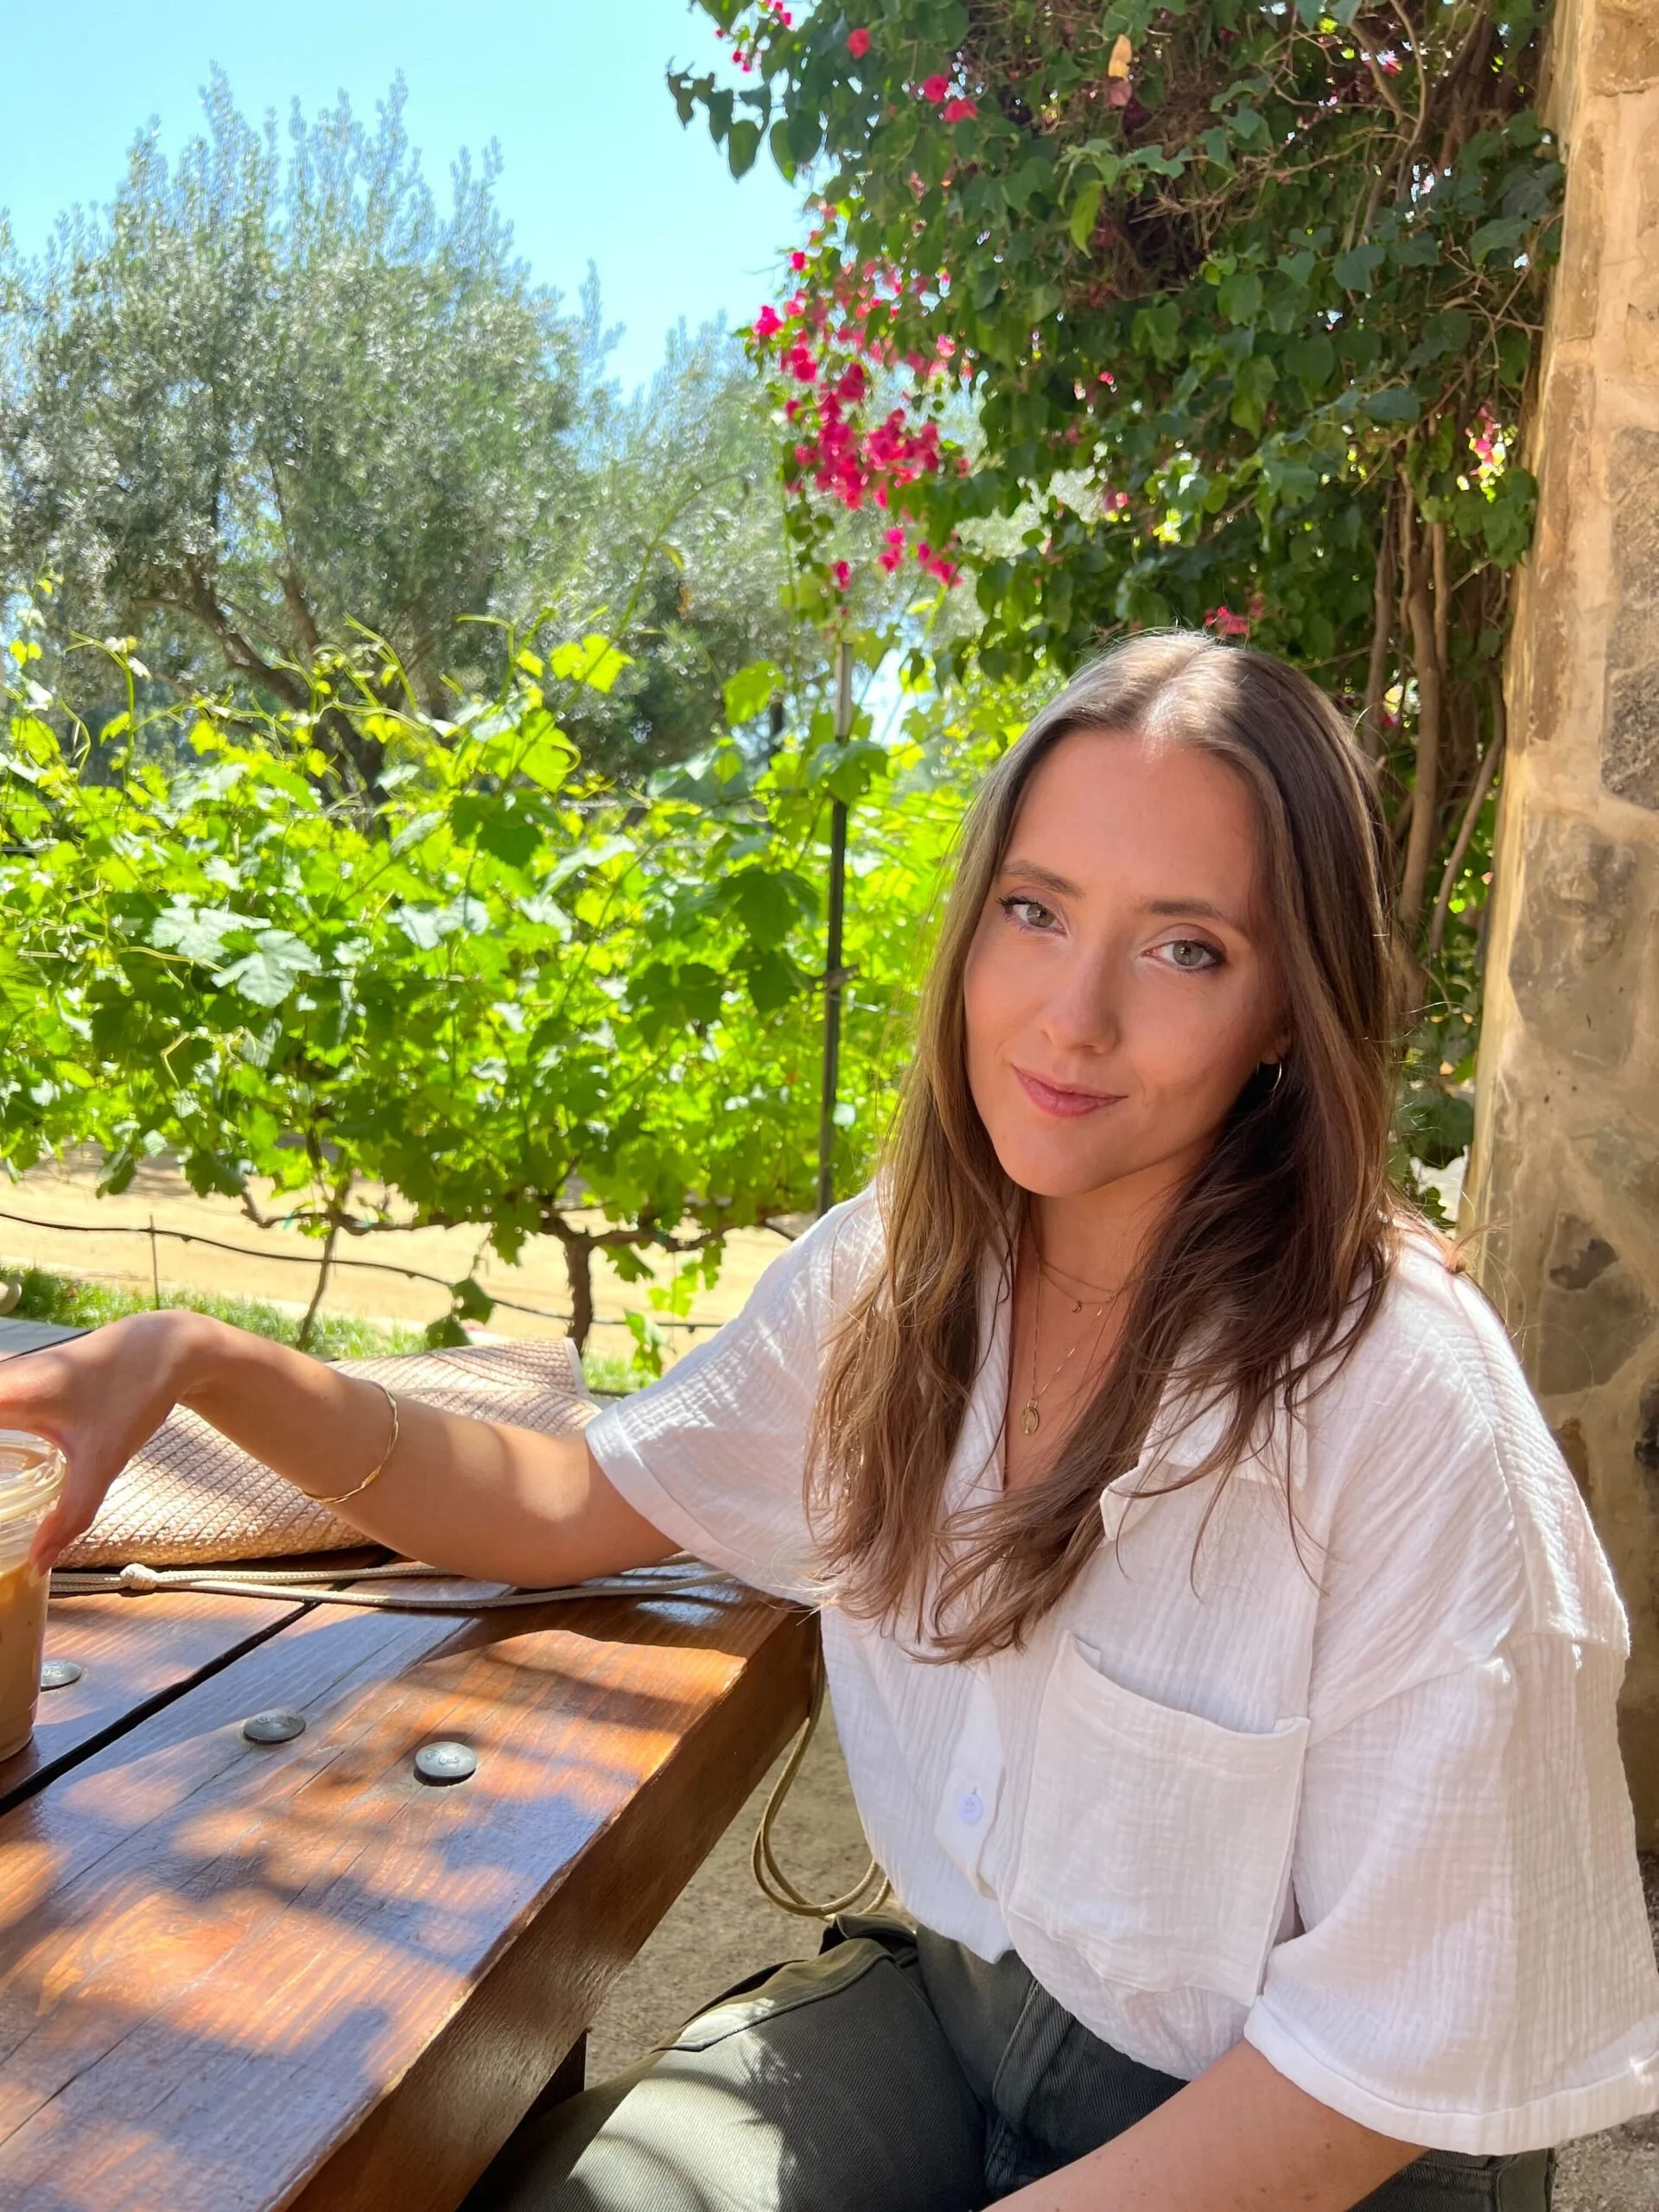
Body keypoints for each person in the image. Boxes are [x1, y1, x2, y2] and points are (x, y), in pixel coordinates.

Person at [9, 633, 1656, 2211]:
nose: (1069, 1017)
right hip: (959, 2024)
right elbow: (577, 1499)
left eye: (1184, 947)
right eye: (1034, 911)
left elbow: (1386, 2056)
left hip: (1306, 2147)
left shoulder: (1398, 1400)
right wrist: (194, 1358)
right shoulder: (900, 1276)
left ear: (1290, 1006)